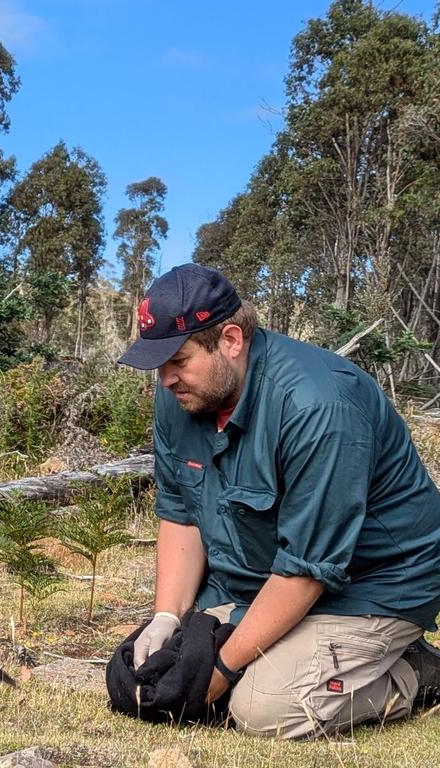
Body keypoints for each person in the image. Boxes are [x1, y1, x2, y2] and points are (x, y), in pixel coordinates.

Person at [116, 263, 440, 739]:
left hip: (373, 584)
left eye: (178, 361)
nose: (165, 379)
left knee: (261, 707)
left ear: (230, 339)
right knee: (152, 672)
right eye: (158, 364)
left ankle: (415, 672)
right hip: (259, 576)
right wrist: (165, 618)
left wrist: (220, 672)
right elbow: (181, 513)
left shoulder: (318, 405)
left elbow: (308, 569)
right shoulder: (181, 396)